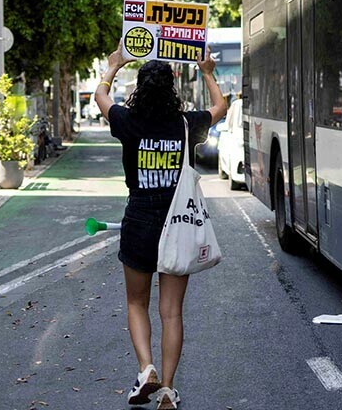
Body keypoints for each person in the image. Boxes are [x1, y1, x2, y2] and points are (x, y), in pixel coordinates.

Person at [95, 42, 227, 410]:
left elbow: (99, 96)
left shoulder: (126, 120)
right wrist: (207, 71)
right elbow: (221, 108)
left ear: (140, 88)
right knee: (172, 312)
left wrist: (115, 64)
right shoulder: (185, 124)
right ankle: (167, 390)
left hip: (138, 219)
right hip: (178, 223)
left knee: (137, 302)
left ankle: (145, 368)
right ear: (172, 89)